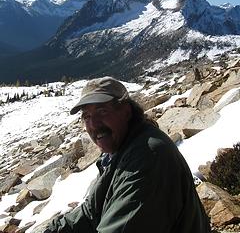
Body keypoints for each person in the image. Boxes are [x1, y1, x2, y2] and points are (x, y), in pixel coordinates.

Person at [44, 76, 211, 232]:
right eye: (87, 116)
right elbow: (91, 212)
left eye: (102, 111)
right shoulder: (117, 152)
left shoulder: (147, 157)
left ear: (126, 111)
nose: (93, 125)